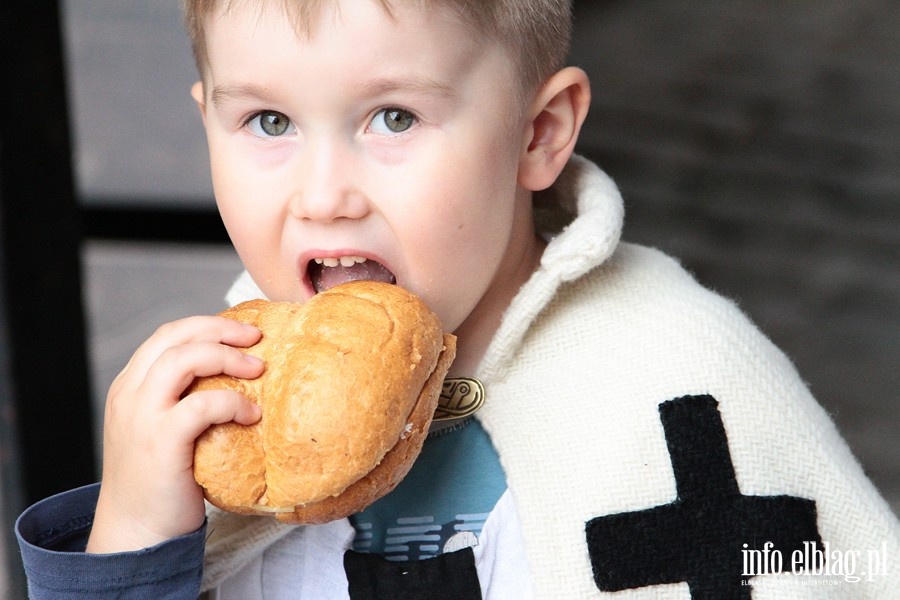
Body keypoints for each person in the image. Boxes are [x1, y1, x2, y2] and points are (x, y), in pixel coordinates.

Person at [15, 0, 900, 598]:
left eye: (393, 118)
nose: (323, 196)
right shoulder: (222, 406)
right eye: (269, 123)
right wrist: (133, 542)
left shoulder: (677, 374)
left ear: (538, 133)